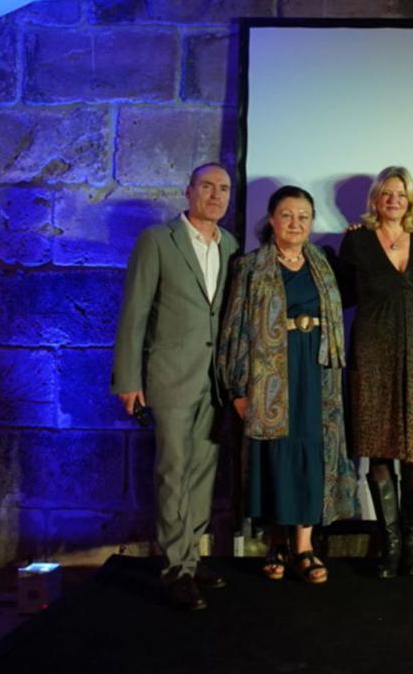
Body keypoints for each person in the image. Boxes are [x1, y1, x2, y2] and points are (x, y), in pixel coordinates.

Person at [111, 162, 239, 610]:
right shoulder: (158, 241)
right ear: (189, 192)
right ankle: (174, 567)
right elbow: (135, 312)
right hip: (168, 378)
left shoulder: (232, 245)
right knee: (173, 471)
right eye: (207, 186)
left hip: (213, 381)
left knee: (204, 471)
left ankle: (191, 555)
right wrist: (128, 378)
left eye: (223, 189)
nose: (215, 195)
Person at [217, 185, 358, 584]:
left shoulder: (324, 265)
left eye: (303, 216)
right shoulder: (249, 267)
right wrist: (239, 390)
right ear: (272, 220)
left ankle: (305, 546)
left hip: (316, 370)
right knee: (274, 453)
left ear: (311, 223)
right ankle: (276, 542)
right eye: (287, 215)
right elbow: (235, 329)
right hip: (269, 374)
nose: (295, 223)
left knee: (312, 449)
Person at [341, 166, 413, 578]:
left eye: (400, 193)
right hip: (372, 355)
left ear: (410, 200)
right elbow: (343, 296)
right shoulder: (357, 242)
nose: (393, 199)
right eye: (385, 192)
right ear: (375, 199)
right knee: (380, 449)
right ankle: (392, 545)